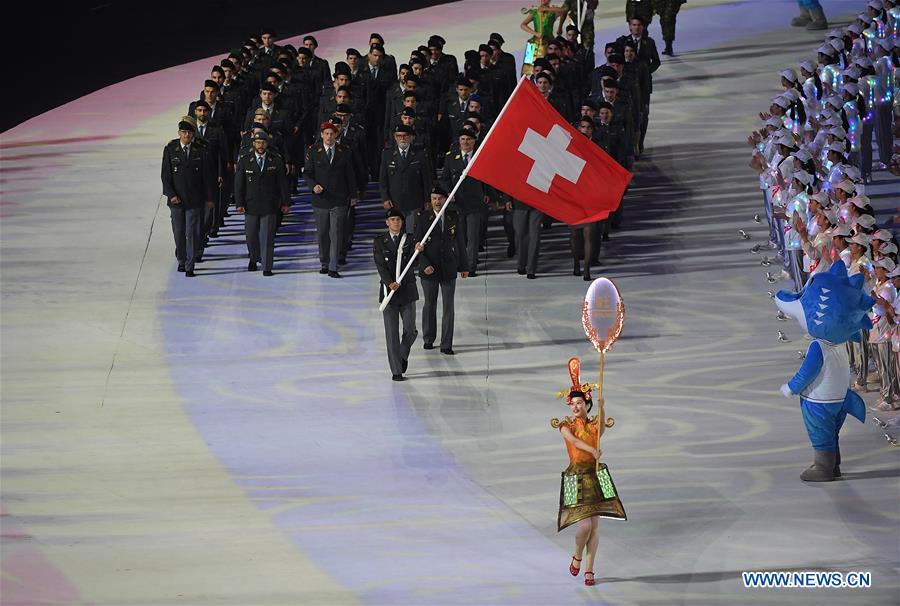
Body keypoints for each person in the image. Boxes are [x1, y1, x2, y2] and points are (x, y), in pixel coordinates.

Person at [552, 358, 626, 587]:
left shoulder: (593, 424)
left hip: (594, 475)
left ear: (587, 404)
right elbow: (574, 441)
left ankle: (590, 570)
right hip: (575, 477)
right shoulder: (566, 426)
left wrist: (603, 408)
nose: (575, 407)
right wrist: (592, 449)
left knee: (594, 526)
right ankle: (577, 555)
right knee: (584, 526)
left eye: (579, 403)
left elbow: (600, 429)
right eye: (572, 404)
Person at [414, 186, 469, 355]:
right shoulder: (422, 218)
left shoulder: (453, 217)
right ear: (430, 201)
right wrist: (424, 265)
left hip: (448, 268)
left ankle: (446, 344)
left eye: (440, 198)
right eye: (434, 199)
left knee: (448, 307)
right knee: (429, 305)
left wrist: (464, 266)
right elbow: (417, 246)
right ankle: (429, 338)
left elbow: (460, 242)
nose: (437, 202)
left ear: (446, 199)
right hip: (429, 270)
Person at [160, 118, 215, 278]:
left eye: (189, 132)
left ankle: (190, 265)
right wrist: (171, 195)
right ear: (179, 133)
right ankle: (182, 260)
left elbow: (207, 176)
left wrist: (209, 198)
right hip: (176, 201)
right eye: (183, 132)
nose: (186, 135)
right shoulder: (171, 149)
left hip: (194, 199)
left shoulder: (201, 150)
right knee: (179, 232)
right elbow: (166, 175)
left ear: (193, 134)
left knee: (192, 233)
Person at [303, 121, 358, 278]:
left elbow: (350, 175)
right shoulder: (313, 151)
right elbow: (307, 173)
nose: (329, 136)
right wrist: (313, 186)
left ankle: (333, 267)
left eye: (331, 134)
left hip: (339, 199)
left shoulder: (344, 152)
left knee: (336, 233)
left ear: (336, 135)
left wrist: (353, 195)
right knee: (322, 233)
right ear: (321, 135)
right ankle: (324, 263)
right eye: (326, 133)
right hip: (320, 200)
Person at [234, 132, 291, 276]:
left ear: (267, 144)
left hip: (270, 205)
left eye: (263, 142)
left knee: (267, 237)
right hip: (250, 205)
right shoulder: (245, 160)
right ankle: (253, 258)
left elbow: (282, 184)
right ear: (253, 143)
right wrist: (239, 203)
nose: (261, 145)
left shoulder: (276, 160)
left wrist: (285, 202)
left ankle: (267, 266)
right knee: (251, 236)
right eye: (258, 142)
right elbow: (239, 184)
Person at [374, 209, 420, 381]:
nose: (396, 222)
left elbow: (415, 262)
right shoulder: (379, 242)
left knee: (410, 330)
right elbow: (380, 264)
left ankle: (402, 354)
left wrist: (418, 252)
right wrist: (389, 282)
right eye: (392, 219)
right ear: (387, 222)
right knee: (391, 333)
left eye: (398, 219)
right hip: (389, 292)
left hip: (407, 290)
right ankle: (396, 371)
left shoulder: (411, 240)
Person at [440, 129, 490, 276]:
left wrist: (487, 193)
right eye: (463, 139)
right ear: (459, 141)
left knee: (473, 238)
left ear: (474, 141)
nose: (466, 142)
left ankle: (471, 266)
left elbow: (486, 178)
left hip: (475, 203)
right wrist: (449, 192)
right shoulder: (451, 158)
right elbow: (444, 179)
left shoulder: (480, 157)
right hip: (457, 205)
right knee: (459, 237)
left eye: (469, 139)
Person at [379, 125, 433, 232]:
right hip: (395, 202)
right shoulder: (387, 154)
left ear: (411, 137)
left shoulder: (420, 154)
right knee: (397, 233)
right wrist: (385, 198)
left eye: (405, 136)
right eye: (399, 136)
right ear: (395, 137)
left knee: (413, 233)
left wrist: (428, 200)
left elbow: (427, 180)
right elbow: (383, 179)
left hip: (415, 202)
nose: (402, 138)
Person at [520, 0, 568, 75]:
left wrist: (560, 26)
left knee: (548, 63)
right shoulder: (535, 12)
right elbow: (523, 25)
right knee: (528, 66)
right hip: (534, 42)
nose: (543, 1)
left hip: (548, 42)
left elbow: (564, 10)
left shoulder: (552, 12)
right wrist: (535, 33)